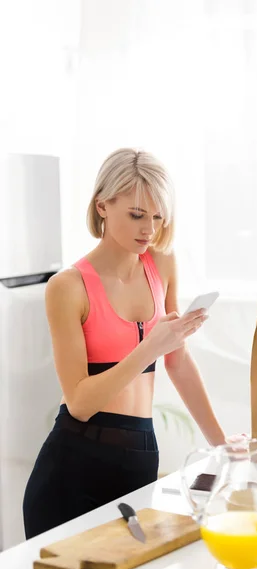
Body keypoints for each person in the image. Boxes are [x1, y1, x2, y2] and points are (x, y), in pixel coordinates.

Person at [23, 148, 242, 540]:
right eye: (137, 215)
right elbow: (80, 402)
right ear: (103, 205)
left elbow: (177, 362)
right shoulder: (68, 287)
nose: (149, 230)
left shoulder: (161, 262)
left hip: (140, 457)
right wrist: (150, 348)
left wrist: (222, 445)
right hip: (72, 465)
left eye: (158, 218)